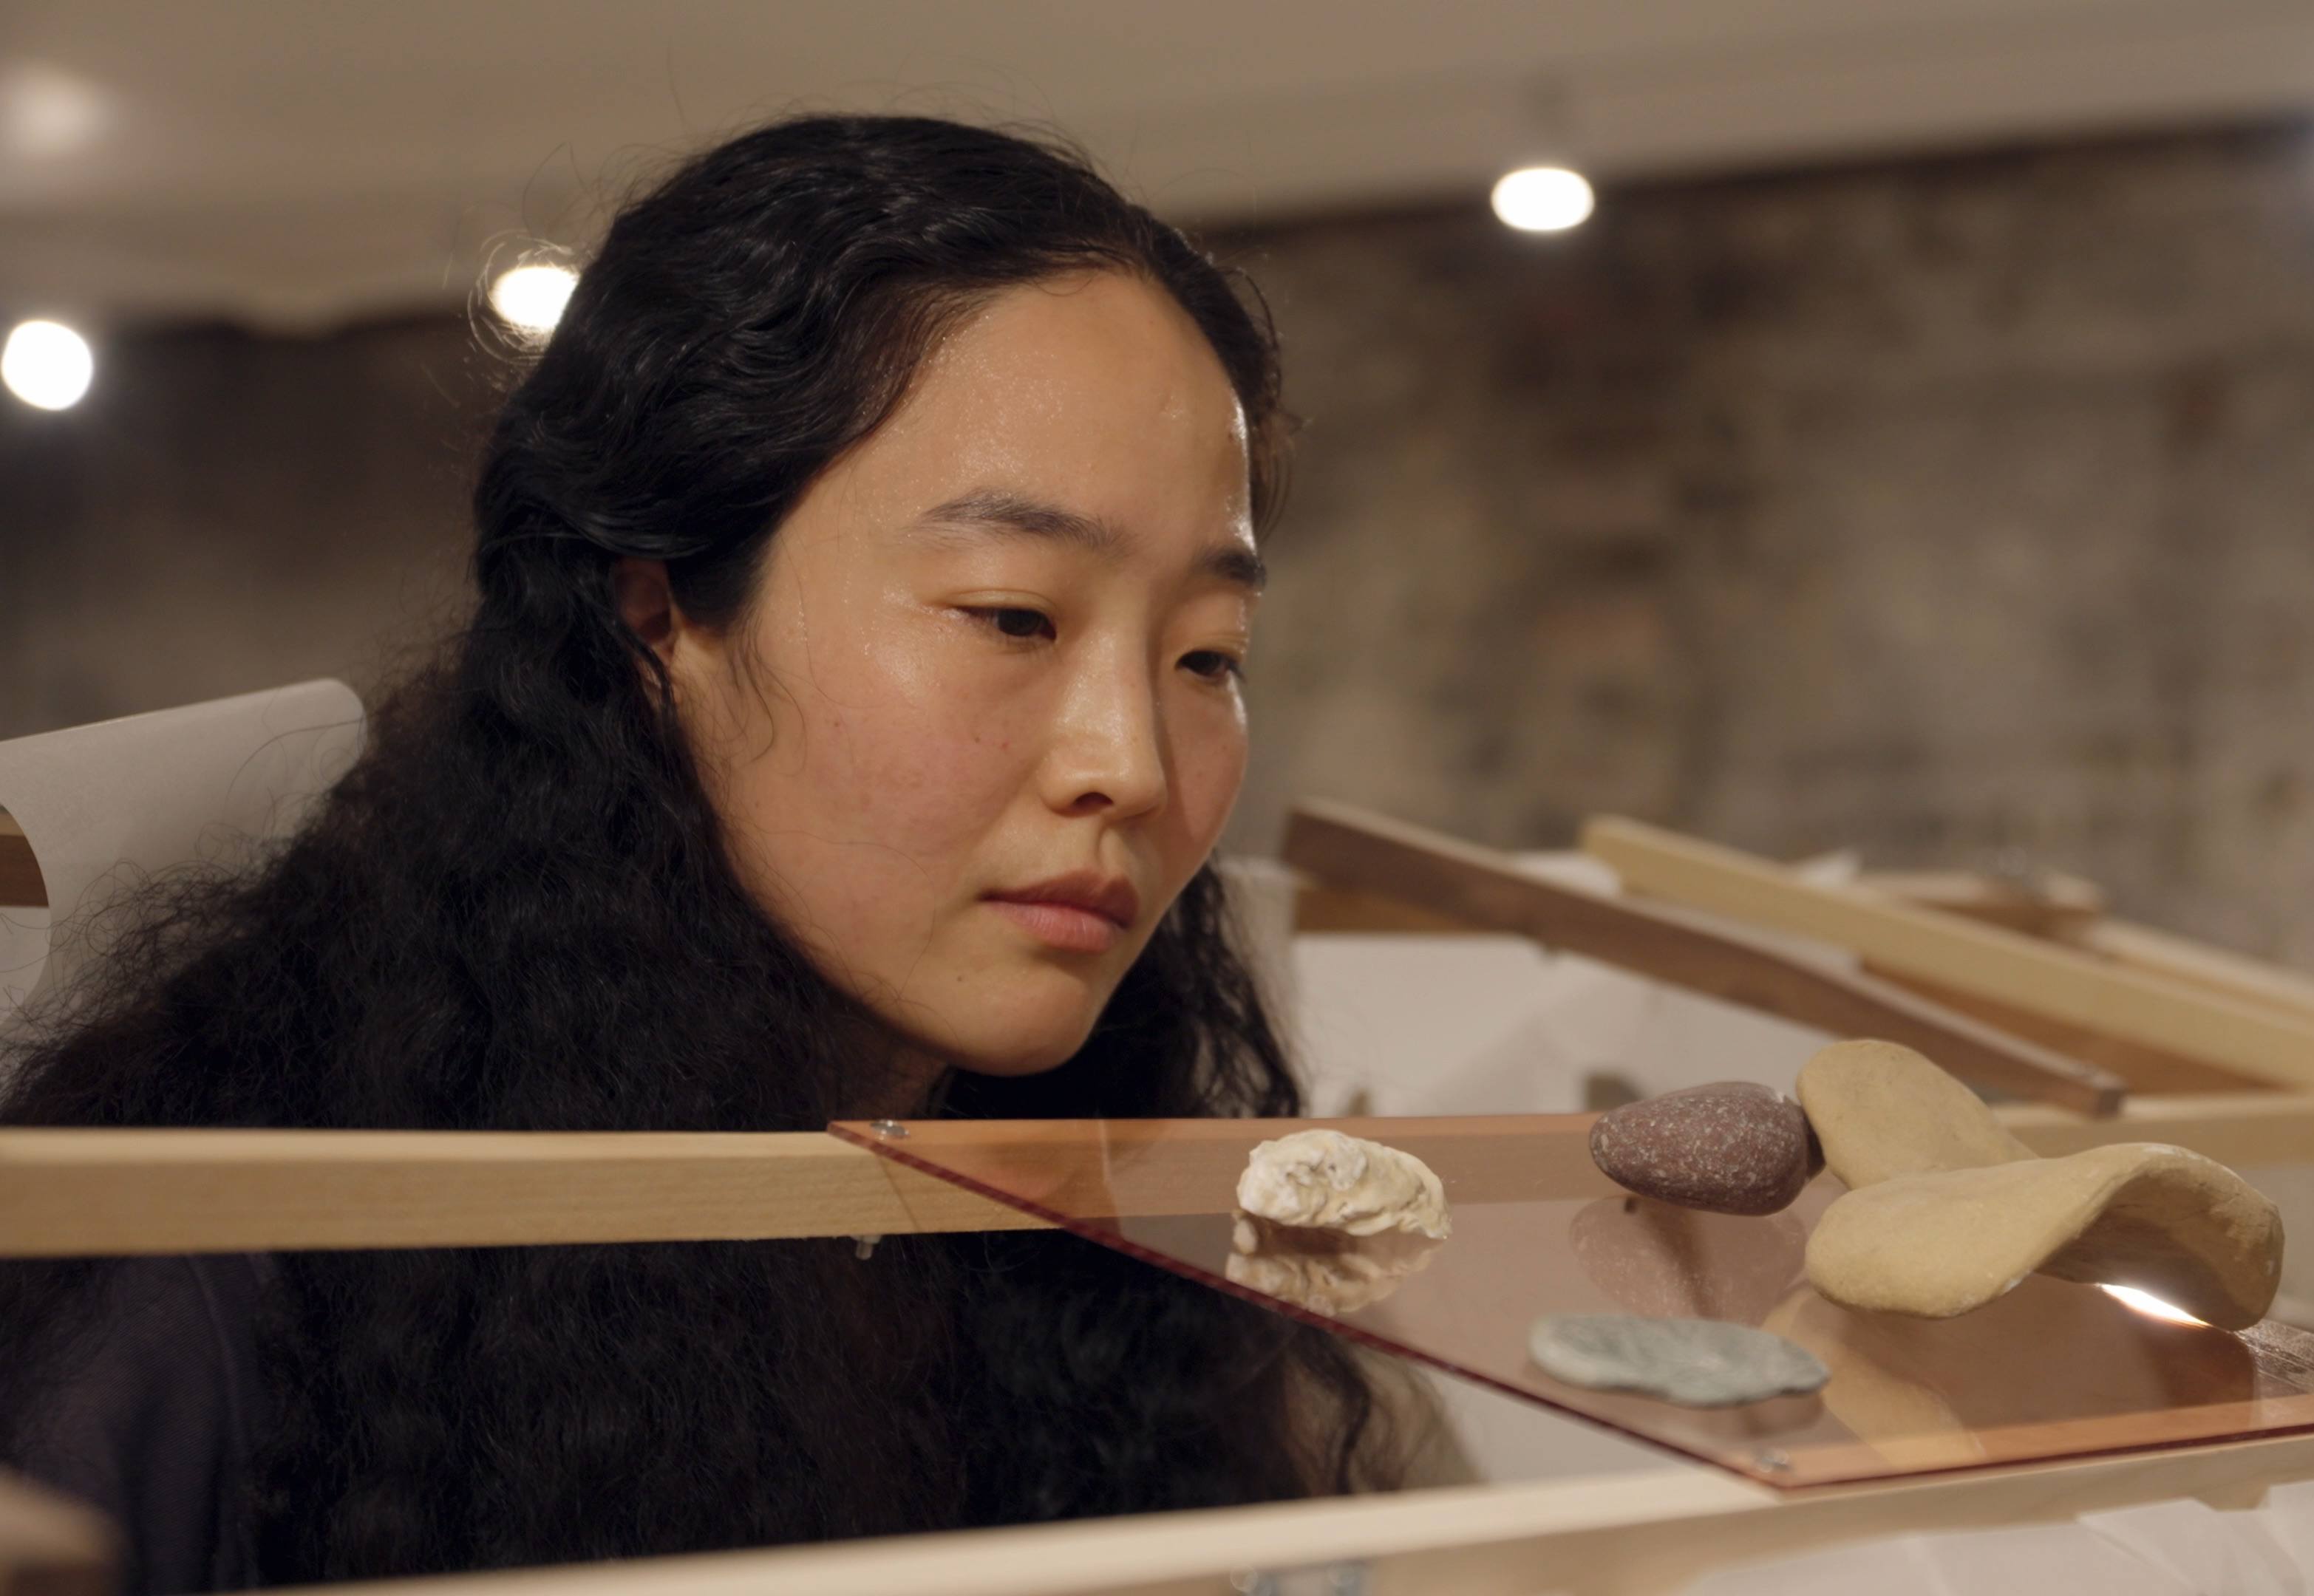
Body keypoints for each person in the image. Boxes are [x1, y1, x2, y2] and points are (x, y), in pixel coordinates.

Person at [0, 115, 1422, 1593]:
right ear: (655, 616)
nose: (1128, 765)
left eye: (1208, 654)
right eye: (1014, 616)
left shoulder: (1093, 1260)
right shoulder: (217, 1286)